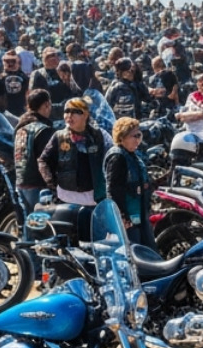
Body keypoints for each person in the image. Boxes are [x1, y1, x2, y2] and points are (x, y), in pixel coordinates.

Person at [38, 97, 108, 205]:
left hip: (95, 197)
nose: (69, 115)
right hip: (66, 198)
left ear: (85, 115)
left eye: (75, 111)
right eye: (67, 111)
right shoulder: (59, 136)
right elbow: (43, 161)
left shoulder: (99, 135)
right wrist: (52, 184)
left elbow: (113, 158)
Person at [105, 117, 153, 246]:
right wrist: (121, 216)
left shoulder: (132, 155)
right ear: (122, 137)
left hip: (138, 217)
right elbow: (113, 189)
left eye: (139, 135)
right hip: (127, 221)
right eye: (134, 136)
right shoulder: (117, 157)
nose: (138, 140)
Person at [14, 89, 55, 210]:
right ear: (46, 104)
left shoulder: (20, 128)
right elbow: (48, 160)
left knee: (28, 224)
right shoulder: (43, 130)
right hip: (38, 186)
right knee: (43, 225)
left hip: (21, 183)